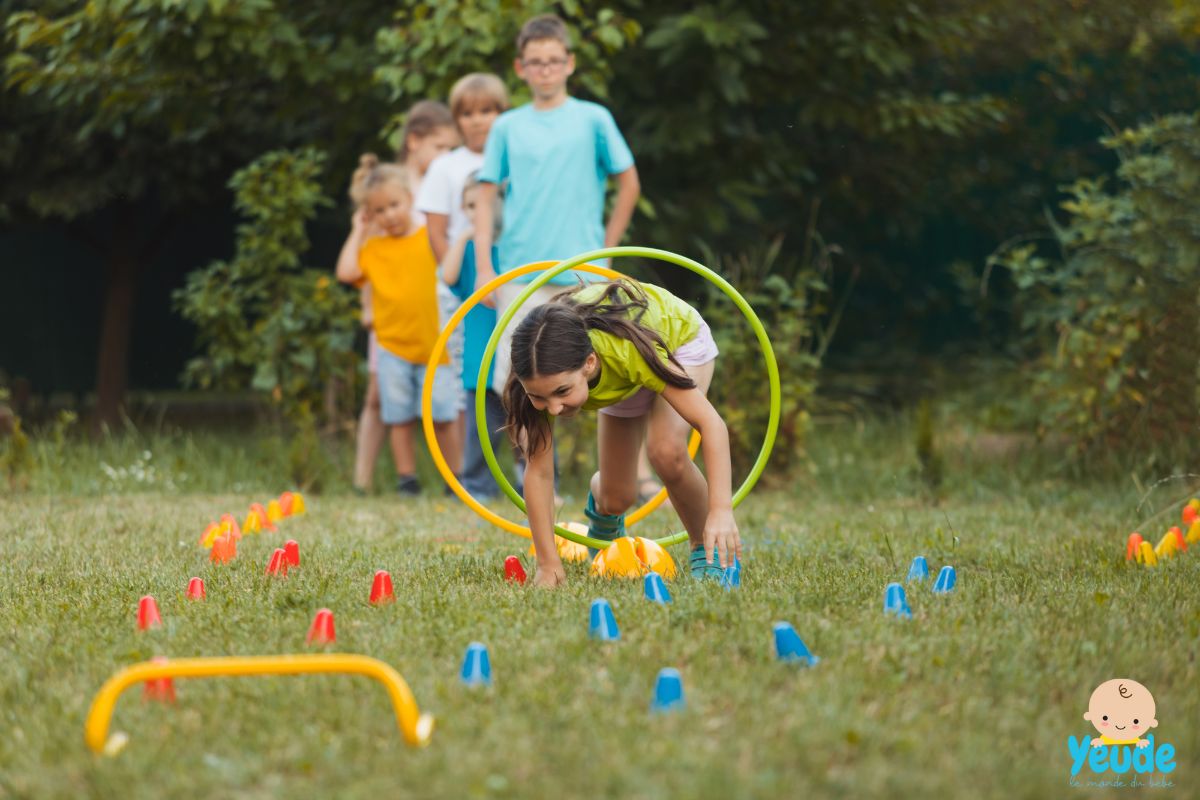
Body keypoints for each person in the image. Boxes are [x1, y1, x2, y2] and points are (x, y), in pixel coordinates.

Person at [502, 278, 741, 588]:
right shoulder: (536, 376)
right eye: (540, 397)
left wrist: (721, 511)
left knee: (666, 452)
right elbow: (540, 473)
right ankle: (603, 519)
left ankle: (706, 551)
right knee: (617, 497)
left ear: (589, 364)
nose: (554, 409)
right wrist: (548, 565)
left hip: (676, 343)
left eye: (562, 391)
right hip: (622, 376)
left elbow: (712, 425)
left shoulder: (626, 352)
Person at [472, 13, 640, 398]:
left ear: (569, 62)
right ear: (521, 68)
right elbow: (485, 197)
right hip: (520, 270)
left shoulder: (593, 119)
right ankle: (533, 461)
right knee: (517, 380)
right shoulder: (507, 127)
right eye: (535, 62)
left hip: (585, 270)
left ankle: (618, 460)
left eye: (553, 61)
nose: (545, 70)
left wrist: (608, 251)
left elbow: (629, 182)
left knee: (603, 372)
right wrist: (484, 268)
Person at [351, 102, 459, 493]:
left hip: (433, 315)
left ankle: (457, 478)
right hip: (391, 316)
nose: (448, 156)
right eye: (442, 147)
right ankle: (367, 481)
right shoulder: (389, 190)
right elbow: (369, 261)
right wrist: (368, 307)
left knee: (444, 402)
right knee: (381, 397)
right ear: (415, 142)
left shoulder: (443, 183)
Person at [439, 173, 505, 501]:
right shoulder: (467, 252)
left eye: (485, 205)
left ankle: (537, 483)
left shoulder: (514, 246)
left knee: (531, 423)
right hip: (481, 354)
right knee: (482, 430)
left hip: (515, 353)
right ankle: (478, 486)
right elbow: (447, 276)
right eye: (470, 206)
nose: (478, 212)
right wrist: (467, 235)